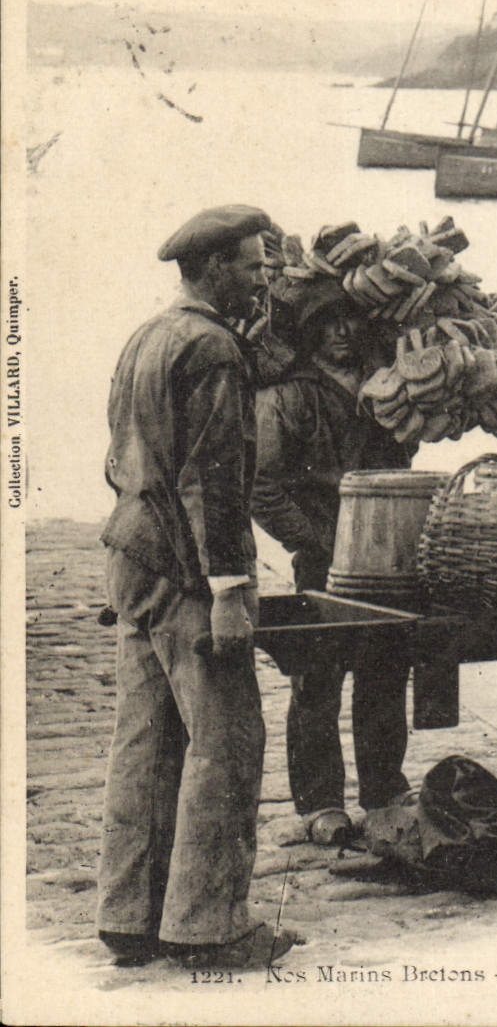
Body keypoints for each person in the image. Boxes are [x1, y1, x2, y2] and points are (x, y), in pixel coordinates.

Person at [98, 205, 302, 969]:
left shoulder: (146, 336)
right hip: (187, 574)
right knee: (225, 741)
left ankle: (129, 918)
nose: (264, 277)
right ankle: (210, 927)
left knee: (145, 743)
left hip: (132, 558)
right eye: (253, 265)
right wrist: (227, 589)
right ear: (214, 268)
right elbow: (214, 482)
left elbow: (120, 455)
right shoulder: (214, 350)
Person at [252, 282, 416, 846]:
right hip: (323, 561)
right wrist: (314, 543)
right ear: (310, 333)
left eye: (351, 320)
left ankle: (384, 792)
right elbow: (264, 487)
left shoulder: (387, 388)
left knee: (386, 673)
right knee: (317, 681)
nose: (342, 331)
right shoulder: (289, 397)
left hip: (386, 559)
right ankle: (321, 803)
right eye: (328, 322)